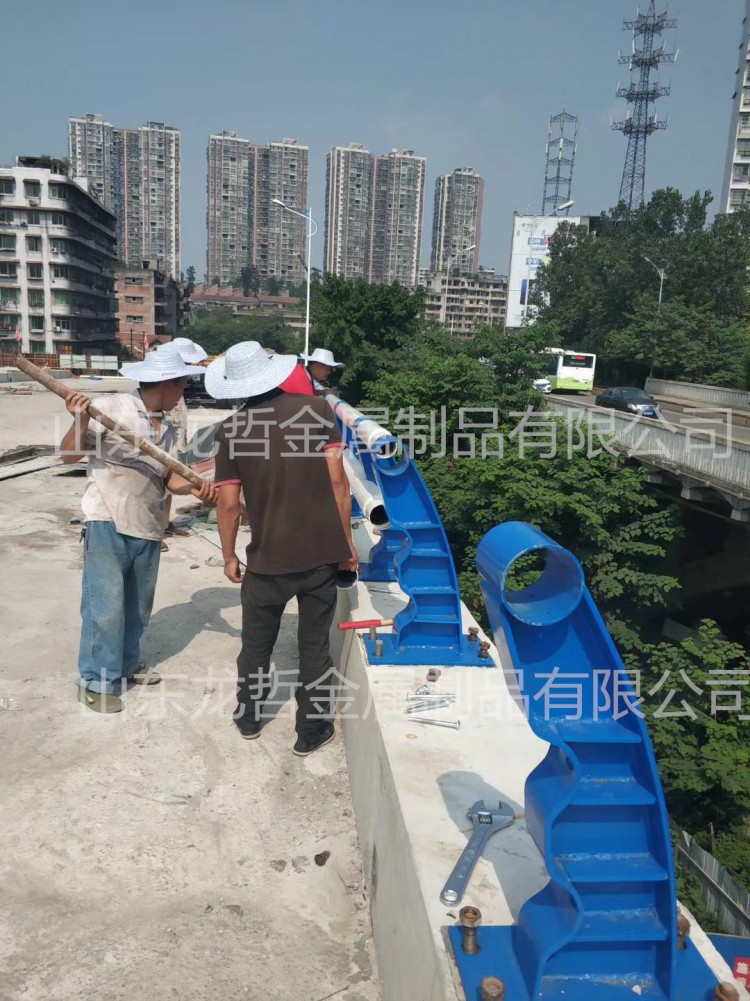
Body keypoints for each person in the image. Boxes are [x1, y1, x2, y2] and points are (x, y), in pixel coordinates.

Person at [207, 341, 358, 756]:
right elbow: (338, 482)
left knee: (256, 646)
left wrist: (229, 555)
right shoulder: (317, 410)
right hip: (320, 556)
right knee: (314, 647)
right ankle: (311, 732)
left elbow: (228, 504)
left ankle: (249, 717)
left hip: (266, 561)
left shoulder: (231, 430)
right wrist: (347, 544)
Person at [59, 344, 217, 714]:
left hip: (147, 525)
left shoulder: (167, 431)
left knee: (136, 606)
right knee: (105, 608)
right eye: (182, 385)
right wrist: (79, 421)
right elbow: (68, 455)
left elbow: (169, 480)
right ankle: (96, 682)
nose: (182, 393)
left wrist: (199, 485)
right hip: (107, 519)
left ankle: (127, 665)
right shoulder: (114, 408)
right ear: (167, 383)